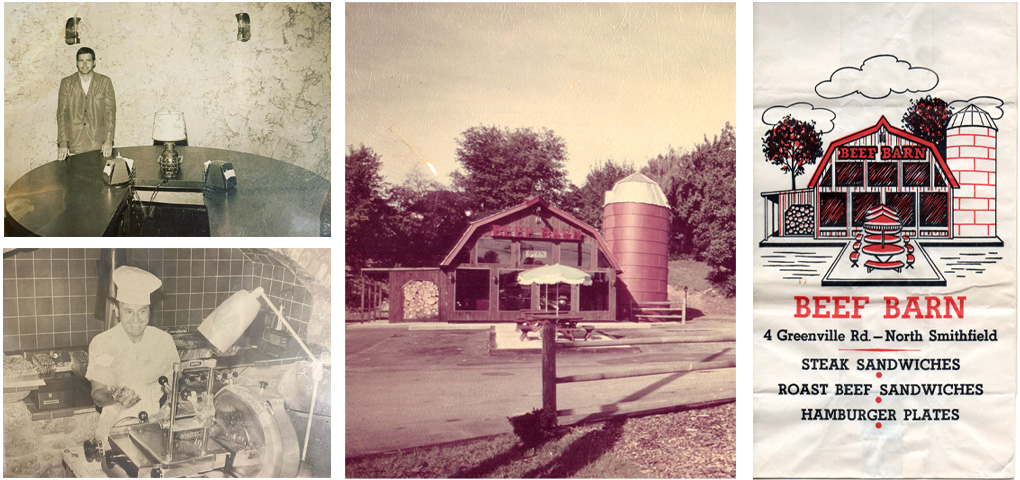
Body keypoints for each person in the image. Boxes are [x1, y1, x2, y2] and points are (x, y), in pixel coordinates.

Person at [86, 266, 179, 439]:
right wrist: (116, 397)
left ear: (149, 310)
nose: (136, 320)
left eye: (142, 311)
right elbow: (97, 395)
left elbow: (175, 384)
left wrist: (172, 396)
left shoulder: (164, 341)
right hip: (113, 430)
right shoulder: (102, 343)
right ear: (117, 310)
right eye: (129, 311)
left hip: (154, 426)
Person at [57, 46, 116, 160]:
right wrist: (63, 143)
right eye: (81, 61)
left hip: (98, 145)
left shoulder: (105, 82)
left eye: (88, 60)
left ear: (94, 63)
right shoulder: (66, 83)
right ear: (76, 63)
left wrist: (108, 140)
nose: (84, 65)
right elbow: (62, 114)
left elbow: (110, 113)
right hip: (75, 145)